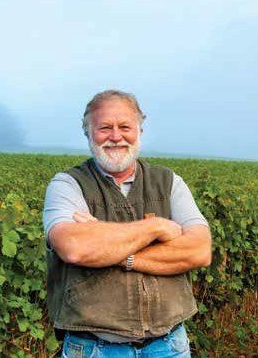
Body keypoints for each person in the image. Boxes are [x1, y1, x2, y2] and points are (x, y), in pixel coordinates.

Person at [43, 90, 212, 357]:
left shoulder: (169, 182)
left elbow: (199, 251)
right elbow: (75, 248)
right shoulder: (67, 184)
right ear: (88, 133)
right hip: (94, 348)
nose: (115, 136)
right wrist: (156, 229)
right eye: (104, 128)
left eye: (124, 127)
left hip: (169, 345)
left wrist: (114, 249)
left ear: (139, 131)